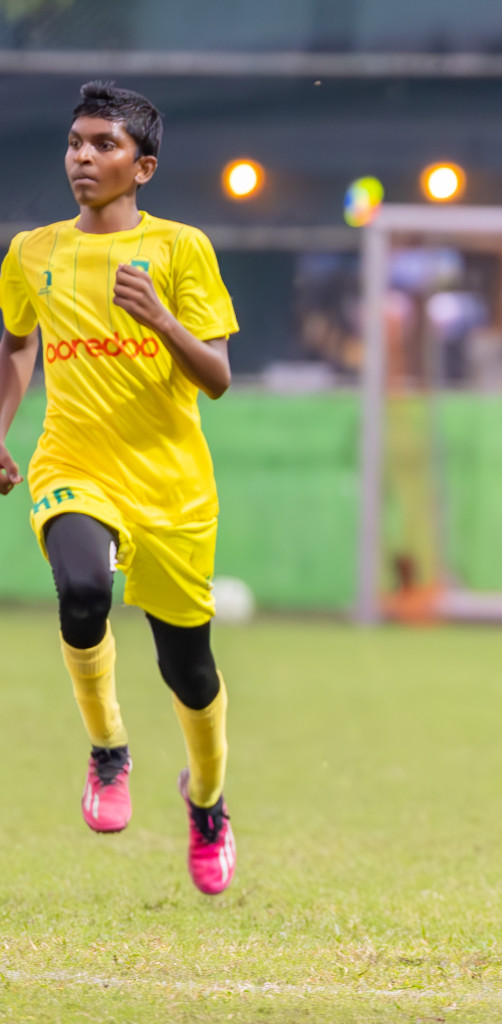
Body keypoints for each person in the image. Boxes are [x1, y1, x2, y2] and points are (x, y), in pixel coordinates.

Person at [0, 81, 240, 895]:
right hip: (74, 465)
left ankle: (206, 803)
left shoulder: (181, 250)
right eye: (75, 142)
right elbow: (15, 344)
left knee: (191, 673)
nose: (83, 158)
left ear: (144, 167)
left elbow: (218, 380)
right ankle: (108, 750)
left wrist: (163, 322)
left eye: (104, 145)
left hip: (172, 489)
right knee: (79, 591)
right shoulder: (33, 250)